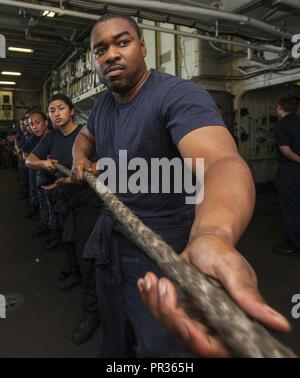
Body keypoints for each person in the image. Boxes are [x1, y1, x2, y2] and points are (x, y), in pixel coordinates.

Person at [71, 13, 290, 357]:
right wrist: (80, 158)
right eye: (100, 50)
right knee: (116, 335)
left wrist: (213, 236)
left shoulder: (178, 95)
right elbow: (84, 137)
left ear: (142, 47)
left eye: (122, 42)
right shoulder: (102, 107)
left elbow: (221, 163)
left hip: (170, 250)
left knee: (168, 346)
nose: (110, 54)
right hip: (113, 241)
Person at [25, 94, 101, 345]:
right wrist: (43, 163)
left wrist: (87, 170)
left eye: (61, 108)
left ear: (71, 110)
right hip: (66, 202)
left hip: (89, 204)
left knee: (88, 257)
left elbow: (103, 162)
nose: (56, 113)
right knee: (71, 248)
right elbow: (29, 160)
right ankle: (80, 279)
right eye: (52, 110)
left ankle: (93, 312)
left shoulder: (86, 134)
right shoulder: (51, 137)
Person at [273, 95, 300, 256]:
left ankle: (295, 244)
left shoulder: (281, 125)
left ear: (279, 107)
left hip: (290, 172)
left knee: (291, 208)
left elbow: (286, 151)